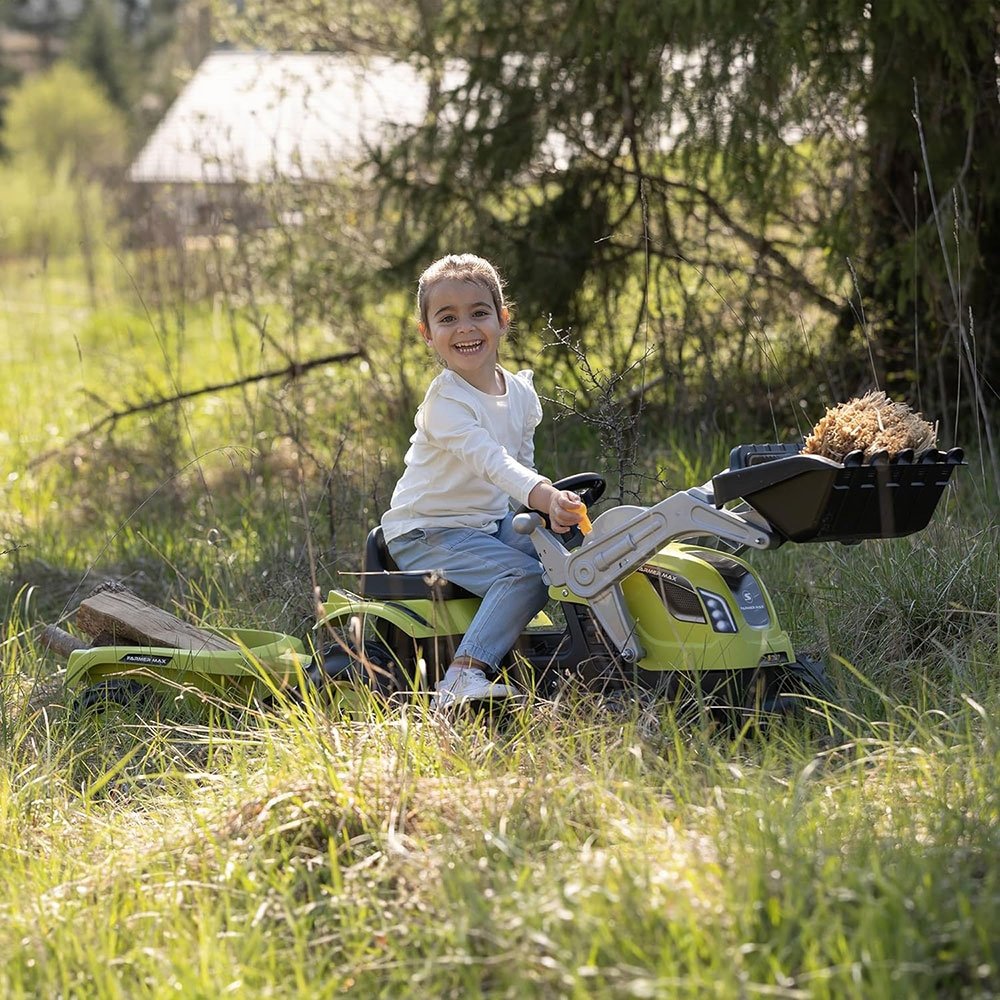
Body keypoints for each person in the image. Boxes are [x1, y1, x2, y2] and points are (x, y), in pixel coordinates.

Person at [380, 253, 585, 705]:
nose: (466, 328)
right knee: (525, 575)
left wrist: (549, 509)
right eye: (447, 318)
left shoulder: (521, 394)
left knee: (575, 549)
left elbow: (521, 471)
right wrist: (543, 495)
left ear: (502, 319)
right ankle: (462, 676)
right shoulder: (446, 403)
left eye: (479, 313)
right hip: (426, 531)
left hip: (485, 527)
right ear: (427, 334)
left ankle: (597, 653)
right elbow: (492, 462)